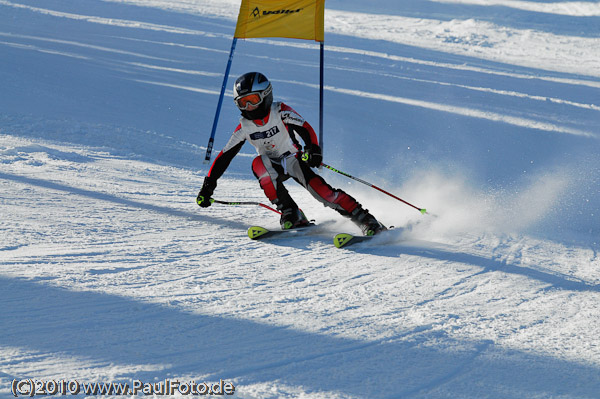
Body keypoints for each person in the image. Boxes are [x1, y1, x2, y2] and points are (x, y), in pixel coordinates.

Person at [197, 72, 385, 235]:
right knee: (258, 164)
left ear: (266, 95)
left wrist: (313, 149)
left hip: (294, 159)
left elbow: (305, 128)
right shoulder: (244, 127)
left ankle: (366, 220)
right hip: (273, 165)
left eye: (252, 101)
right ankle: (291, 213)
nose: (248, 108)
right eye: (243, 103)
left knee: (324, 194)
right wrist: (208, 186)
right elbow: (225, 156)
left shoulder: (279, 111)